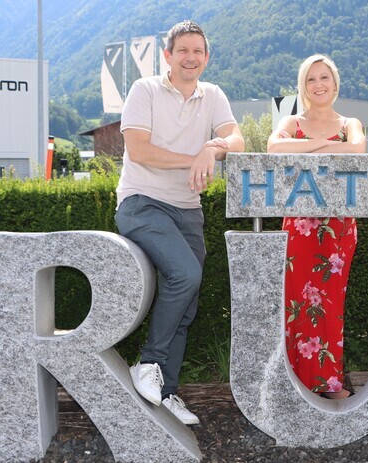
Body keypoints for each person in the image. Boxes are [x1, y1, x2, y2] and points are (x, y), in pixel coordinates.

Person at [117, 20, 244, 425]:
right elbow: (139, 150)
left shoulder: (214, 95)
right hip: (141, 202)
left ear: (206, 58)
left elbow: (236, 140)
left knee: (185, 302)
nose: (191, 57)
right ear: (167, 56)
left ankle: (167, 392)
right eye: (183, 50)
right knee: (185, 275)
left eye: (198, 51)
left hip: (187, 209)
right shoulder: (146, 90)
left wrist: (213, 145)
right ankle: (148, 363)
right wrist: (198, 159)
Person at [267, 54, 365, 399]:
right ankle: (294, 382)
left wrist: (309, 148)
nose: (318, 85)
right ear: (303, 86)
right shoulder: (292, 122)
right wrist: (325, 145)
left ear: (335, 83)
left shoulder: (349, 122)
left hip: (338, 228)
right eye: (311, 80)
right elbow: (274, 147)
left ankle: (330, 383)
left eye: (324, 78)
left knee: (331, 304)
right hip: (299, 226)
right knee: (295, 303)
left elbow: (357, 148)